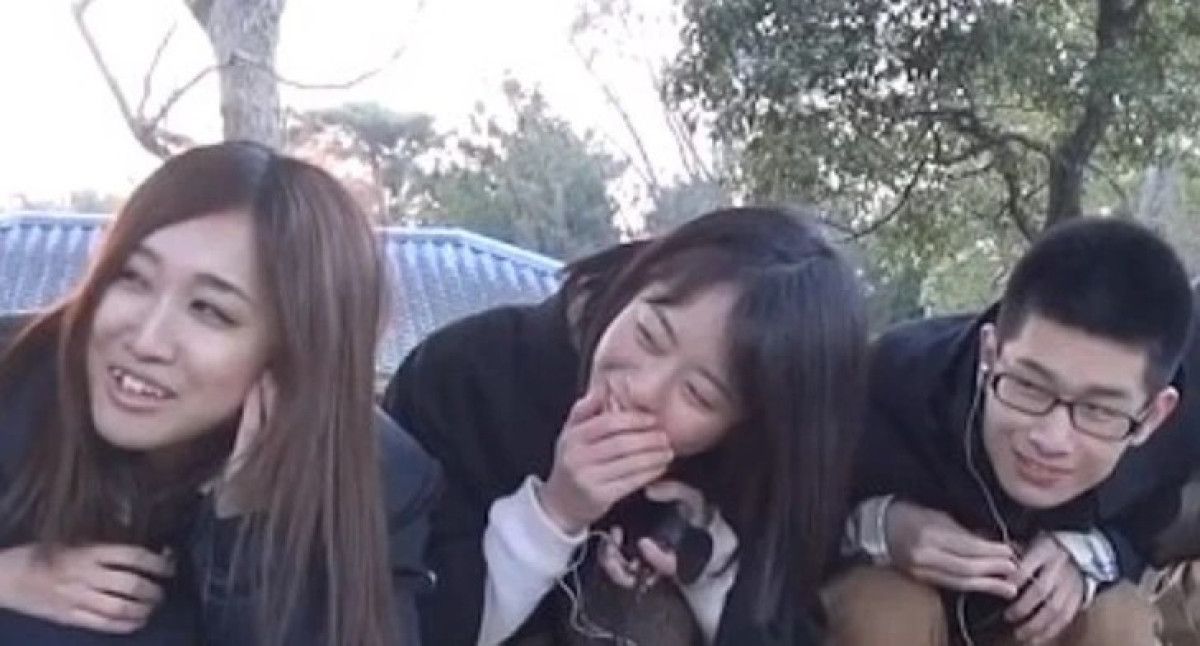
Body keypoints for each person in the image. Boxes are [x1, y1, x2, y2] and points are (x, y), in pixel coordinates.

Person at [0, 141, 440, 646]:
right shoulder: (17, 375)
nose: (146, 340)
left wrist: (249, 536)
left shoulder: (378, 480)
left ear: (295, 354)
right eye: (132, 277)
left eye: (209, 310)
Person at [382, 206, 869, 646]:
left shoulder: (753, 481)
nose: (643, 388)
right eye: (649, 334)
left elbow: (786, 621)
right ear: (636, 283)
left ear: (748, 425)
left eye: (698, 395)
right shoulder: (464, 375)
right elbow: (401, 621)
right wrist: (554, 514)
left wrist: (711, 570)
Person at [829, 217, 1200, 645]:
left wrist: (1091, 555)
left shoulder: (1175, 433)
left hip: (1046, 622)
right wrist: (880, 526)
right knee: (880, 608)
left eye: (1098, 410)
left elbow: (1150, 523)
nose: (1050, 440)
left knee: (1119, 621)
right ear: (990, 353)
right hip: (900, 604)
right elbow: (793, 515)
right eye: (1029, 386)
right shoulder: (889, 379)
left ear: (1153, 416)